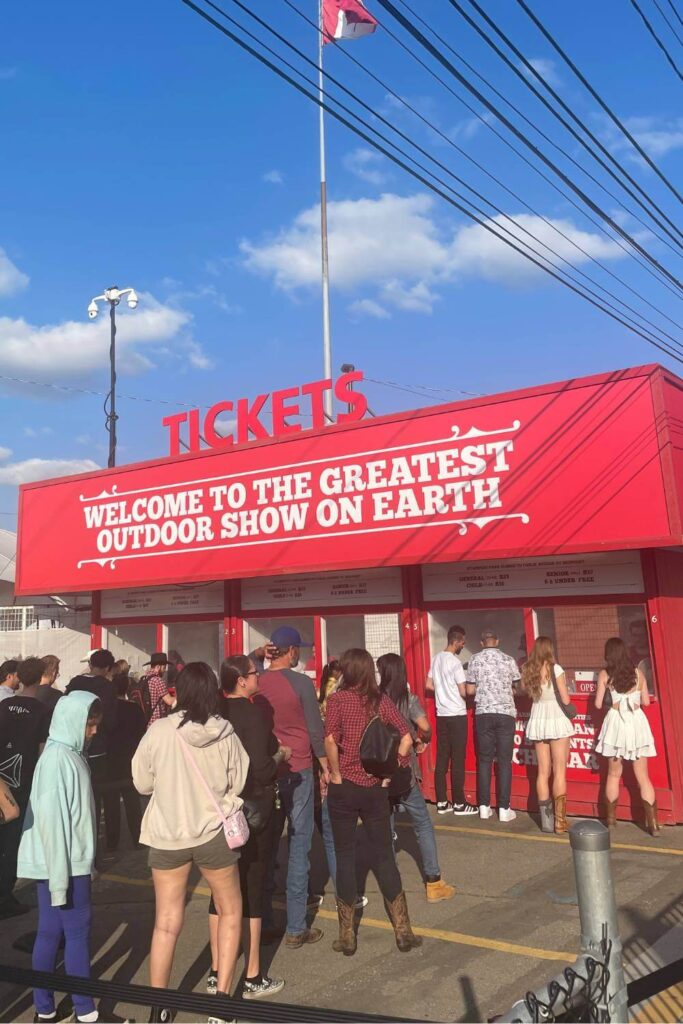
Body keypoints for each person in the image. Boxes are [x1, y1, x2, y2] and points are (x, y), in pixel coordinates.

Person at [132, 662, 249, 1023]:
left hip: (167, 836)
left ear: (177, 690)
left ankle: (158, 1007)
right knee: (230, 911)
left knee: (166, 922)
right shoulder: (226, 732)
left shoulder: (160, 731)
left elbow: (141, 783)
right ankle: (221, 1004)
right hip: (214, 833)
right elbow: (239, 781)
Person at [325, 648, 421, 956]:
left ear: (348, 671)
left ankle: (347, 936)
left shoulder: (337, 700)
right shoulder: (381, 700)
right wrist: (391, 768)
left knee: (344, 855)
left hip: (344, 788)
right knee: (384, 856)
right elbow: (406, 735)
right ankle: (403, 932)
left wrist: (336, 774)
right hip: (375, 788)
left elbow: (330, 739)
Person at [18, 692, 103, 1024]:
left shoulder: (64, 754)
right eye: (89, 725)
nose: (93, 732)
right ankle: (86, 1012)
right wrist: (59, 882)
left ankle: (45, 1009)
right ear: (73, 722)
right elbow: (53, 824)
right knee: (76, 933)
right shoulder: (59, 760)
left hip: (60, 864)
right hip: (65, 866)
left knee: (50, 933)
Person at [206, 656, 289, 1000]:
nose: (258, 678)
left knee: (221, 891)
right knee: (253, 887)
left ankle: (215, 972)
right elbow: (262, 769)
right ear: (241, 680)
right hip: (253, 809)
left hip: (218, 811)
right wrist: (281, 756)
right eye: (255, 673)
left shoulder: (214, 713)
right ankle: (253, 974)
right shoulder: (254, 714)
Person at [255, 626, 329, 949]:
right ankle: (297, 928)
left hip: (269, 772)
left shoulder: (256, 682)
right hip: (299, 770)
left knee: (268, 848)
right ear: (292, 651)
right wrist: (326, 767)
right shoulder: (301, 683)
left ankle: (266, 921)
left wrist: (256, 656)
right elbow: (316, 730)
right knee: (300, 845)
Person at [378, 653, 455, 902]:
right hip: (404, 771)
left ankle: (392, 885)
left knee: (385, 827)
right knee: (422, 823)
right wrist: (422, 740)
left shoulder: (374, 700)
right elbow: (426, 726)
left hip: (380, 772)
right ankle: (433, 881)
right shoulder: (408, 699)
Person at [0, 656, 50, 918]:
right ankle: (4, 897)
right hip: (23, 783)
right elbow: (42, 752)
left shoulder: (5, 705)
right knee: (11, 842)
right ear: (42, 677)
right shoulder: (42, 710)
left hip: (1, 784)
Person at [595, 637, 659, 835]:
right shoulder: (638, 673)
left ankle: (611, 821)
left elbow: (598, 704)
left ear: (609, 654)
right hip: (636, 722)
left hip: (615, 723)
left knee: (613, 775)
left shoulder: (605, 674)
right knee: (643, 777)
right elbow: (647, 703)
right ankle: (653, 824)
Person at [66, 649, 120, 850]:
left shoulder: (74, 683)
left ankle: (73, 844)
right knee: (94, 800)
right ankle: (91, 850)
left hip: (73, 746)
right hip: (98, 749)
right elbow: (111, 721)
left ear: (90, 664)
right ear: (107, 668)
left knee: (74, 799)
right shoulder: (107, 687)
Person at [521, 637, 574, 834]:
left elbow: (527, 693)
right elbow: (566, 699)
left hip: (538, 718)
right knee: (559, 771)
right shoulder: (556, 669)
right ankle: (560, 823)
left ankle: (546, 822)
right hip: (557, 719)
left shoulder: (528, 669)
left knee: (542, 772)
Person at [466, 630, 521, 822]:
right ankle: (504, 809)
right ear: (497, 641)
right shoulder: (509, 659)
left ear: (482, 643)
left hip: (484, 714)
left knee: (484, 761)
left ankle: (483, 807)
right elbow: (518, 688)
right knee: (505, 762)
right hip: (506, 714)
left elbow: (470, 689)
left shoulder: (474, 659)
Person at [426, 625, 477, 816]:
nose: (463, 645)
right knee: (457, 759)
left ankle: (441, 802)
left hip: (442, 715)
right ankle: (459, 803)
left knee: (442, 757)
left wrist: (442, 691)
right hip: (457, 714)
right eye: (462, 642)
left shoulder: (435, 659)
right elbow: (464, 691)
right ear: (456, 641)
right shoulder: (456, 663)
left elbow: (428, 685)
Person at [105, 672, 146, 850]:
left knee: (111, 804)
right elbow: (142, 732)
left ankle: (112, 842)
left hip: (110, 761)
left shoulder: (108, 709)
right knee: (132, 803)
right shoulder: (134, 709)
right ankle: (137, 838)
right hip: (130, 759)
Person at [139, 653, 175, 728]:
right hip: (157, 721)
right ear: (158, 667)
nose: (165, 671)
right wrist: (183, 695)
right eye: (164, 668)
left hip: (147, 720)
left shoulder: (145, 678)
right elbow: (170, 701)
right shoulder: (158, 680)